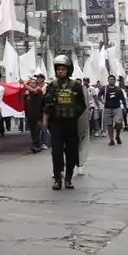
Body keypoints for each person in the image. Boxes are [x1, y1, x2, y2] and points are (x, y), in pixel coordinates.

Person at [43, 55, 87, 191]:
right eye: (58, 69)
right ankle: (57, 179)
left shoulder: (77, 86)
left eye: (63, 69)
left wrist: (73, 111)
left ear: (68, 70)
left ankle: (68, 178)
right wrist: (46, 119)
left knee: (71, 151)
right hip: (56, 123)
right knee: (56, 151)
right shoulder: (51, 86)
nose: (60, 71)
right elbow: (46, 104)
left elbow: (83, 105)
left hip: (71, 124)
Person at [102, 75, 127, 146]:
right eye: (110, 79)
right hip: (107, 108)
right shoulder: (104, 88)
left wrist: (125, 107)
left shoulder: (118, 89)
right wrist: (102, 101)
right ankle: (111, 139)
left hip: (117, 108)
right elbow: (98, 96)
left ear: (115, 81)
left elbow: (123, 99)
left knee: (118, 123)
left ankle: (117, 136)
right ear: (108, 80)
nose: (112, 80)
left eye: (113, 79)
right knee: (109, 125)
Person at [24, 75, 46, 153]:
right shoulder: (27, 93)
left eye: (33, 83)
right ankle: (35, 145)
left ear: (36, 84)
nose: (31, 84)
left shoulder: (38, 89)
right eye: (30, 83)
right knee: (33, 131)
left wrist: (24, 84)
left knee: (37, 130)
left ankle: (38, 146)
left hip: (38, 114)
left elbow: (34, 91)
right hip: (30, 114)